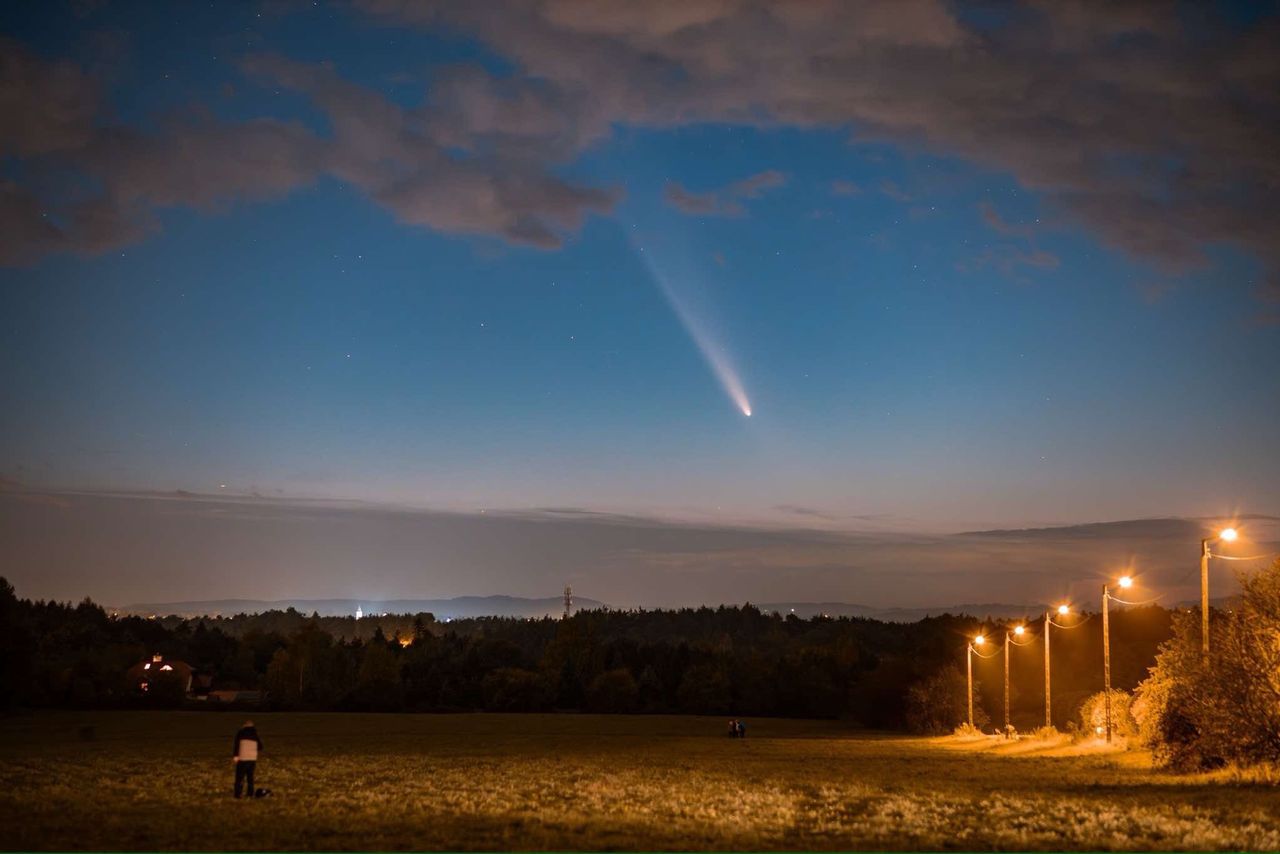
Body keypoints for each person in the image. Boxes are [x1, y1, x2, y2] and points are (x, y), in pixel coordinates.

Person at [232, 719, 263, 799]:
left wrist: (236, 755)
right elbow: (260, 747)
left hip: (243, 757)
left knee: (240, 777)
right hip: (252, 758)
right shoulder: (255, 734)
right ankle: (250, 793)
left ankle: (238, 794)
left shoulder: (241, 732)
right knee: (250, 777)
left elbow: (237, 744)